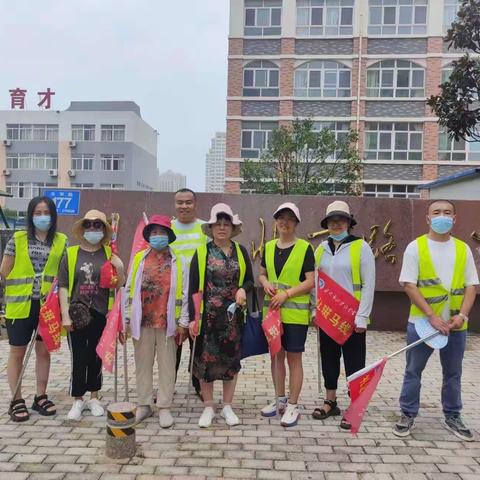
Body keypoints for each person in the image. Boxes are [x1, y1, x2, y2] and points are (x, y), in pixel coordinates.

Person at [393, 200, 478, 441]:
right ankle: (407, 413)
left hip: (455, 326)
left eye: (448, 213)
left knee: (453, 373)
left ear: (455, 218)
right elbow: (409, 284)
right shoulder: (415, 247)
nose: (443, 216)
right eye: (437, 212)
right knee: (413, 370)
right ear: (428, 219)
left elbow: (472, 286)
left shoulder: (463, 249)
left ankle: (453, 415)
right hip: (422, 323)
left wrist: (462, 315)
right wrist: (431, 316)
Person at [311, 200, 375, 430]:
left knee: (355, 363)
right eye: (332, 220)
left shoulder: (361, 247)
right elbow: (314, 284)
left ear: (349, 222)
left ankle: (355, 405)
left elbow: (369, 285)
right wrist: (314, 309)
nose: (336, 224)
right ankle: (331, 401)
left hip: (353, 317)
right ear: (327, 223)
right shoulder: (320, 248)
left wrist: (362, 316)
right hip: (328, 316)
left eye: (341, 219)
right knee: (328, 358)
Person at [187, 203, 253, 428]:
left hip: (233, 319)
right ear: (212, 227)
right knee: (206, 363)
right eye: (218, 224)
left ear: (232, 228)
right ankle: (208, 407)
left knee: (231, 362)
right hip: (208, 318)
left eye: (227, 224)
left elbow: (249, 280)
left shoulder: (241, 251)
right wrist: (192, 318)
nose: (222, 228)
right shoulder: (202, 252)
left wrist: (244, 288)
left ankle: (227, 406)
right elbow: (193, 287)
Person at [1, 196, 67, 422]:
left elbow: (63, 274)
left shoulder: (61, 241)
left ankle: (40, 396)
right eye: (37, 213)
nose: (42, 217)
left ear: (53, 216)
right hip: (20, 305)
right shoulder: (17, 239)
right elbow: (4, 272)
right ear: (30, 216)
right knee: (17, 351)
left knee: (43, 351)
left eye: (46, 212)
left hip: (48, 306)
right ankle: (16, 399)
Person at [58, 209, 125, 421]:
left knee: (97, 356)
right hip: (76, 313)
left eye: (98, 225)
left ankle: (95, 397)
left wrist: (120, 268)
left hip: (101, 313)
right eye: (89, 224)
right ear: (83, 228)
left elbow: (119, 285)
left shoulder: (109, 254)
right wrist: (64, 316)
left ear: (104, 229)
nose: (93, 228)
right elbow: (62, 287)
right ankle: (78, 399)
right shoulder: (71, 254)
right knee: (78, 357)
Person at [123, 215, 188, 427]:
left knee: (167, 365)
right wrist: (126, 317)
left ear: (169, 236)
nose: (158, 237)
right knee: (142, 364)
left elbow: (185, 294)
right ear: (148, 236)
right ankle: (144, 404)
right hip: (142, 321)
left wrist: (183, 322)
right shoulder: (139, 258)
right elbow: (129, 289)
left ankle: (164, 407)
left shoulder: (179, 261)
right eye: (154, 233)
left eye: (162, 233)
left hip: (168, 322)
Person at [258, 202, 315, 427]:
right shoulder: (269, 246)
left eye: (290, 218)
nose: (285, 222)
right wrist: (265, 283)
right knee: (275, 356)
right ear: (276, 222)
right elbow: (262, 273)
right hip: (272, 313)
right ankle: (279, 399)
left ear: (296, 223)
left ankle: (292, 405)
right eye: (281, 218)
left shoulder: (304, 248)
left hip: (295, 315)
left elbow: (310, 281)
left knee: (294, 358)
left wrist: (287, 294)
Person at [171, 188, 208, 398]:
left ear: (195, 204)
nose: (184, 206)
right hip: (172, 297)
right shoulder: (166, 229)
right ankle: (168, 385)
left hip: (199, 295)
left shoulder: (204, 229)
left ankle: (199, 385)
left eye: (188, 202)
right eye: (180, 202)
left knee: (198, 343)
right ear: (174, 204)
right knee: (172, 345)